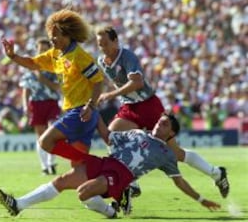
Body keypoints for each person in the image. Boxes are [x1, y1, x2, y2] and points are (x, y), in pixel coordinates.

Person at [95, 25, 229, 208]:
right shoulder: (102, 61)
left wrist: (111, 95)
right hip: (129, 107)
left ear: (116, 41)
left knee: (176, 153)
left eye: (106, 44)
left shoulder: (127, 56)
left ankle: (216, 173)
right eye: (99, 44)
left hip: (149, 105)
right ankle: (130, 185)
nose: (103, 48)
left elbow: (137, 82)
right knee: (111, 137)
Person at [0, 113, 221, 218]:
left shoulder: (166, 154)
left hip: (121, 175)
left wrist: (201, 200)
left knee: (83, 194)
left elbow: (179, 181)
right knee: (62, 181)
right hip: (106, 162)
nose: (158, 124)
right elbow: (107, 136)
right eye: (159, 121)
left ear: (170, 133)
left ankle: (110, 211)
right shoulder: (136, 132)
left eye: (163, 124)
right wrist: (94, 113)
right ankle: (18, 205)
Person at [1, 9, 104, 163]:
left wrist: (90, 106)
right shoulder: (55, 54)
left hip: (82, 111)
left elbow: (98, 81)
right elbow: (33, 63)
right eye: (51, 36)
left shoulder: (80, 56)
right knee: (79, 170)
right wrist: (13, 56)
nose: (52, 39)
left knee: (45, 142)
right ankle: (100, 167)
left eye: (56, 36)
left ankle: (95, 163)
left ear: (67, 35)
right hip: (74, 110)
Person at [19, 38, 61, 175]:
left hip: (51, 102)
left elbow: (57, 87)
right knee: (40, 136)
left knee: (52, 131)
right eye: (40, 49)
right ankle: (44, 166)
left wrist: (42, 78)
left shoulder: (54, 66)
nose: (42, 52)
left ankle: (51, 163)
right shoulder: (30, 66)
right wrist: (25, 106)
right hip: (36, 104)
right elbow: (26, 89)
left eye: (45, 50)